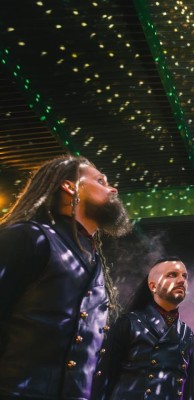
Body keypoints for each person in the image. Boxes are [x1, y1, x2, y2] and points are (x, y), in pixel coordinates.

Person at [0, 154, 132, 399]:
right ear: (70, 187)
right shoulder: (28, 237)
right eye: (100, 181)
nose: (113, 188)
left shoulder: (95, 261)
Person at [92, 257, 194, 399]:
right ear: (153, 286)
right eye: (172, 275)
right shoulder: (129, 323)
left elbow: (188, 391)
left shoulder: (187, 334)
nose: (181, 280)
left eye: (184, 276)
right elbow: (104, 378)